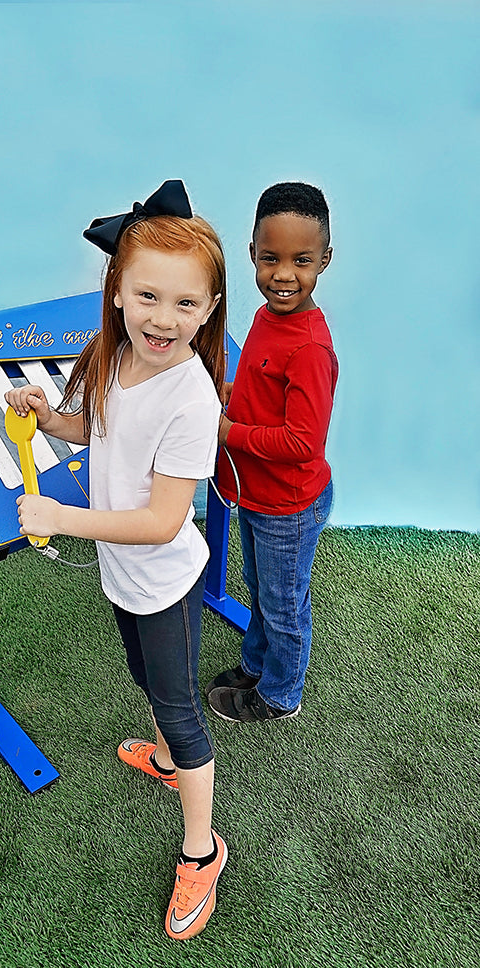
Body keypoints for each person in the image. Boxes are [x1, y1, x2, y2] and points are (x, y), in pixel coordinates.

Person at [4, 180, 228, 941]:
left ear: (210, 307)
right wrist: (47, 415)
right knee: (144, 679)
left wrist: (64, 517)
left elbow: (166, 520)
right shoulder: (112, 355)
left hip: (163, 579)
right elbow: (90, 432)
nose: (165, 320)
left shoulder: (193, 399)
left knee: (179, 708)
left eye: (186, 305)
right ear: (118, 292)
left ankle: (203, 849)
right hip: (122, 573)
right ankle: (165, 760)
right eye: (148, 297)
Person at [207, 181, 338, 724]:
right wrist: (230, 396)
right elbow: (259, 390)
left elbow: (303, 443)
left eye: (301, 261)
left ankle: (280, 694)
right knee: (260, 592)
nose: (284, 275)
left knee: (284, 607)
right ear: (252, 255)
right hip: (256, 495)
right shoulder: (267, 318)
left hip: (289, 505)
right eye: (271, 258)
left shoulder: (309, 346)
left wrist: (227, 431)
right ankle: (256, 665)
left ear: (325, 261)